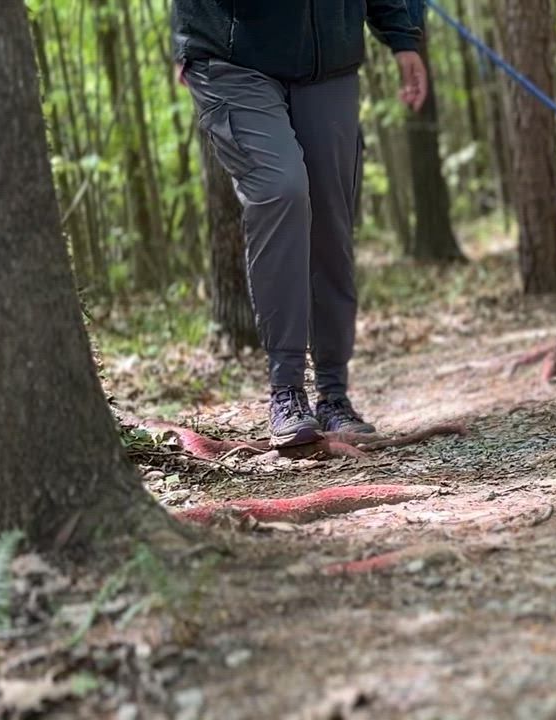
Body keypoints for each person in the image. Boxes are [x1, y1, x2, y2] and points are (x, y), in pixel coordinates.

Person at [170, 1, 427, 447]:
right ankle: (285, 390)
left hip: (328, 59)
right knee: (282, 190)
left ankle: (334, 396)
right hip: (230, 54)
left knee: (331, 219)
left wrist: (403, 35)